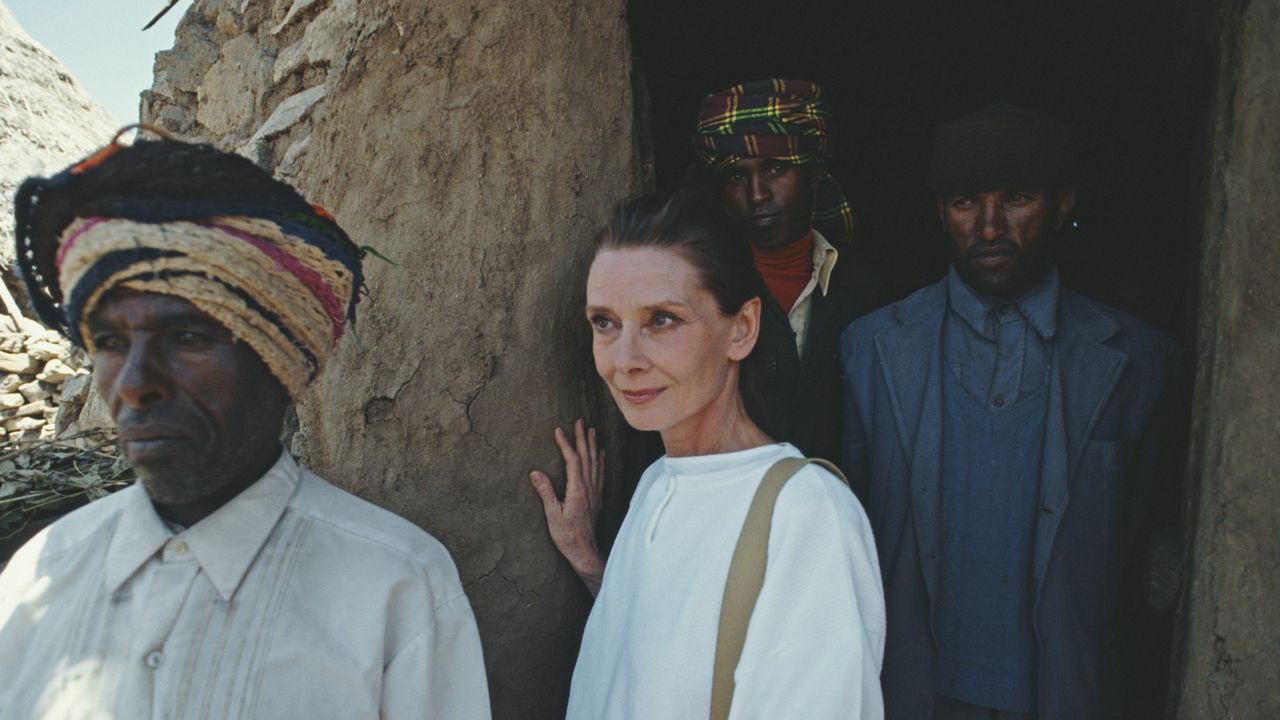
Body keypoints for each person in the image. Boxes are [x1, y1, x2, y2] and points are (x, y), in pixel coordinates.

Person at [0, 128, 491, 719]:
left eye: (187, 337)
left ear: (280, 362)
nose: (133, 382)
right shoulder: (39, 574)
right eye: (108, 341)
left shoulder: (396, 589)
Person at [839, 104, 1182, 719]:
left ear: (1063, 204)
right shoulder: (871, 350)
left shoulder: (1137, 361)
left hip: (1070, 695)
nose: (990, 226)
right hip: (911, 696)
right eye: (966, 202)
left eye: (1018, 198)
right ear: (940, 213)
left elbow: (1144, 541)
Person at [531, 78, 881, 593]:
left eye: (777, 169)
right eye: (737, 176)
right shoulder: (696, 300)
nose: (758, 195)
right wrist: (591, 555)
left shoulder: (869, 296)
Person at [546, 192, 885, 719]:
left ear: (742, 329)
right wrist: (594, 565)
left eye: (662, 319)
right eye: (605, 322)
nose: (625, 359)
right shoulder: (659, 482)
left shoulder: (807, 515)